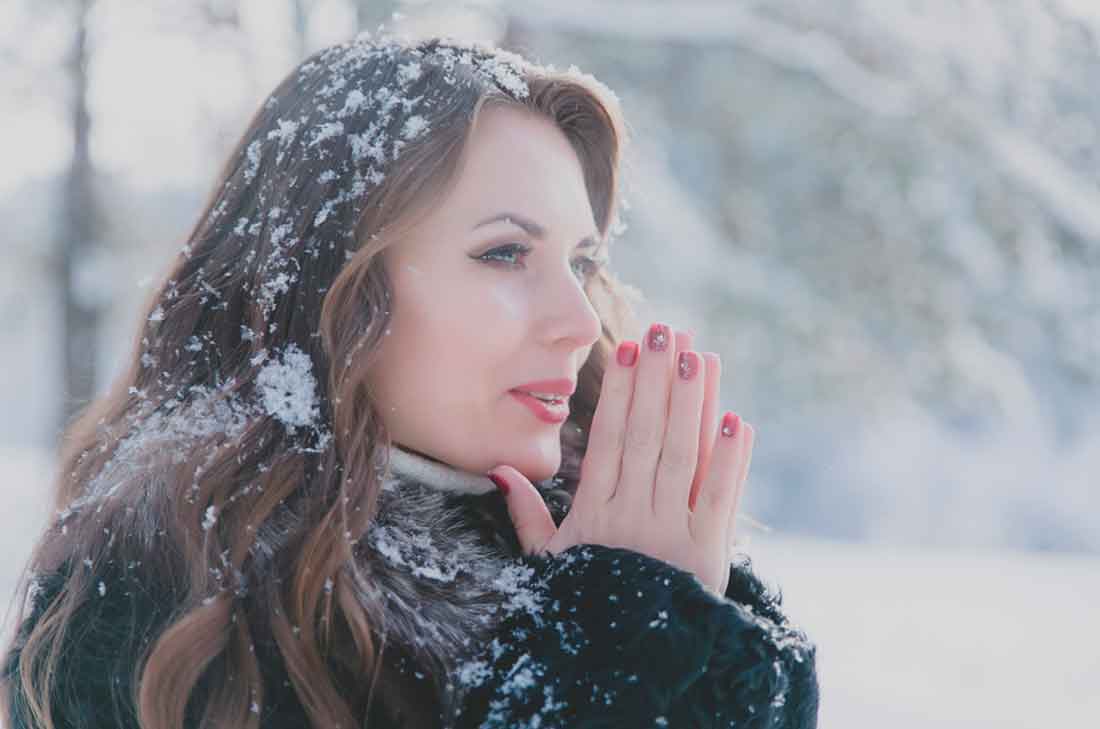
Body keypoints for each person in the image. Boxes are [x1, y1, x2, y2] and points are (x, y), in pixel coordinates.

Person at [1, 33, 818, 729]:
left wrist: (679, 621)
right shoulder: (157, 610)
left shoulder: (603, 552)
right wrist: (621, 651)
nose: (578, 321)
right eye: (504, 252)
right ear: (327, 286)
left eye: (583, 262)